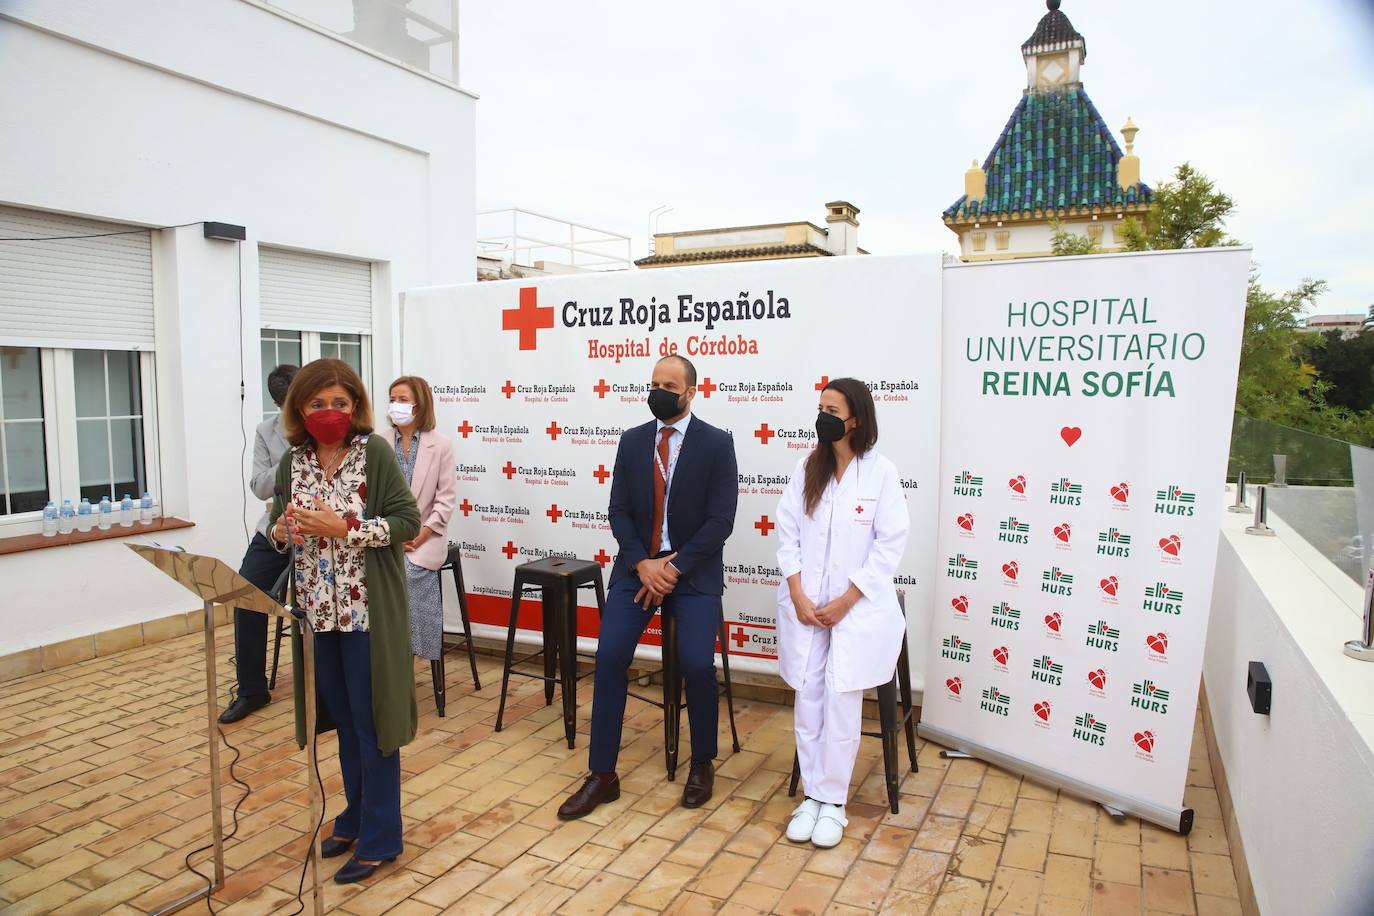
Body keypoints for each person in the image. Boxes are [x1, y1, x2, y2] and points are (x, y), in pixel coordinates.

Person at [558, 354, 738, 820]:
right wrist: (642, 563)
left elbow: (721, 521)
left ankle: (702, 762)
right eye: (654, 382)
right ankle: (602, 775)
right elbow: (618, 510)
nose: (658, 390)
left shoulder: (717, 444)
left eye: (669, 384)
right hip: (637, 571)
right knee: (611, 655)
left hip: (691, 573)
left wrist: (672, 570)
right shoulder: (633, 441)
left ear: (691, 392)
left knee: (698, 664)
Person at [268, 358, 421, 884]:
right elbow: (275, 525)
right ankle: (355, 817)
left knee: (375, 727)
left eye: (340, 402)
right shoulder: (295, 462)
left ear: (355, 405)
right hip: (317, 615)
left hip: (367, 615)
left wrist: (345, 527)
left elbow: (408, 522)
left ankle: (382, 838)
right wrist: (283, 533)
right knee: (343, 726)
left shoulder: (373, 452)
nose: (330, 412)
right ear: (300, 410)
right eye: (318, 404)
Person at [774, 377, 909, 848]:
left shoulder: (880, 473)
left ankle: (833, 802)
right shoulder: (806, 467)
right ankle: (810, 796)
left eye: (833, 410)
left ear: (856, 419)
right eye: (821, 408)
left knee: (840, 695)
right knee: (808, 694)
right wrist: (798, 594)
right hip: (808, 607)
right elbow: (787, 535)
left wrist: (848, 599)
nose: (823, 417)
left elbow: (890, 544)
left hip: (855, 609)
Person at [220, 363, 297, 724]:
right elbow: (259, 487)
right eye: (291, 403)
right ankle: (252, 690)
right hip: (277, 528)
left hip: (325, 532)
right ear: (279, 403)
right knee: (245, 594)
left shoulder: (328, 425)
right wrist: (291, 462)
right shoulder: (266, 431)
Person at [386, 376, 456, 667]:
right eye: (392, 399)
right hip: (385, 534)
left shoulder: (440, 445)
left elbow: (446, 499)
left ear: (419, 404)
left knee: (410, 573)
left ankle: (408, 654)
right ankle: (386, 654)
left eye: (402, 399)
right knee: (378, 576)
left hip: (425, 537)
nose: (395, 405)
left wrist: (422, 534)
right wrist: (389, 533)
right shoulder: (377, 442)